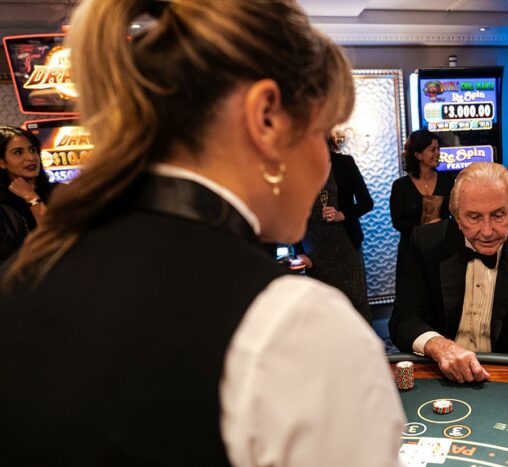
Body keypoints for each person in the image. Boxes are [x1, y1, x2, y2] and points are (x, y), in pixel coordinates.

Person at [0, 1, 404, 465]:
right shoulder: (296, 324)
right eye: (321, 133)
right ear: (266, 117)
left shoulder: (24, 271)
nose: (322, 164)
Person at [390, 162, 508, 383]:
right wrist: (440, 346)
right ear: (457, 216)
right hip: (441, 374)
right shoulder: (425, 244)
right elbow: (404, 319)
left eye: (498, 215)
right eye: (474, 217)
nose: (487, 231)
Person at [296, 133, 374, 321]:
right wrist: (299, 251)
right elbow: (293, 213)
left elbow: (366, 203)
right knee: (324, 310)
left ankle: (362, 349)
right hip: (315, 251)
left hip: (347, 246)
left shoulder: (345, 164)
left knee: (356, 305)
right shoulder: (298, 170)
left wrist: (342, 214)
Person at [390, 128, 455, 286]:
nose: (437, 153)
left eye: (438, 148)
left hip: (441, 250)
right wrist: (423, 228)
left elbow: (454, 213)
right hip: (411, 250)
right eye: (432, 149)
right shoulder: (401, 186)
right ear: (418, 155)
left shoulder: (447, 181)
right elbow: (397, 222)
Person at [0, 126, 54, 262]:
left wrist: (32, 197)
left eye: (32, 150)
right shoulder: (3, 206)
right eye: (18, 152)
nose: (30, 158)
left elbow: (59, 239)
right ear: (2, 162)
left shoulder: (61, 191)